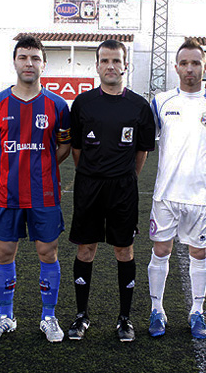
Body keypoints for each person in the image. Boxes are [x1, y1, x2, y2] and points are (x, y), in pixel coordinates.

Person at [0, 35, 71, 343]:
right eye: (23, 57)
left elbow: (63, 148)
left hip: (44, 193)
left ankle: (49, 317)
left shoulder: (57, 105)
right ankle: (6, 315)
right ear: (15, 61)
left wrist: (40, 164)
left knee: (48, 252)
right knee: (4, 252)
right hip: (6, 193)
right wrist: (13, 164)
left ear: (43, 63)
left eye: (35, 58)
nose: (29, 63)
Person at [67, 39, 155, 342]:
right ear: (97, 66)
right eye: (105, 61)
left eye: (116, 61)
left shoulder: (139, 107)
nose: (111, 66)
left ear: (125, 65)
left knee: (124, 249)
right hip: (88, 186)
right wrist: (93, 174)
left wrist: (125, 177)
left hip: (123, 189)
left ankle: (125, 318)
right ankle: (81, 316)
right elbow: (76, 149)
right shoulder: (82, 104)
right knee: (86, 248)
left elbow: (141, 152)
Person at [147, 38, 206, 339]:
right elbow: (146, 141)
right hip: (166, 194)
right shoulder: (162, 101)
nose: (189, 69)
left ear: (204, 66)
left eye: (195, 63)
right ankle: (157, 309)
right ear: (176, 66)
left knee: (199, 253)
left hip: (201, 195)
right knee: (160, 250)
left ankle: (197, 311)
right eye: (184, 63)